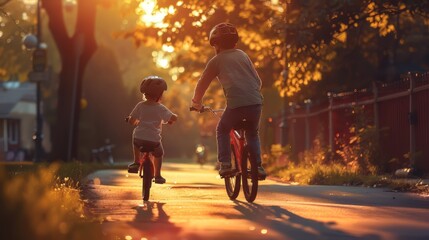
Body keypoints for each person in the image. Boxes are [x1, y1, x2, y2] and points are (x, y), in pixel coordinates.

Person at [190, 22, 267, 178]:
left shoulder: (216, 61)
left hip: (236, 105)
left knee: (222, 129)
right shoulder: (243, 55)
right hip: (256, 102)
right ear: (234, 42)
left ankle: (225, 164)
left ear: (216, 44)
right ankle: (258, 166)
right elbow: (258, 81)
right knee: (252, 132)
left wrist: (196, 103)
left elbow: (202, 84)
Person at [126, 76, 178, 184]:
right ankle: (158, 175)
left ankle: (136, 162)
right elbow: (172, 117)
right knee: (159, 154)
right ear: (160, 95)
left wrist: (132, 121)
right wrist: (173, 118)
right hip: (154, 141)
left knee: (135, 138)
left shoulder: (140, 106)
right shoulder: (160, 107)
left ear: (144, 93)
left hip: (139, 138)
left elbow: (132, 120)